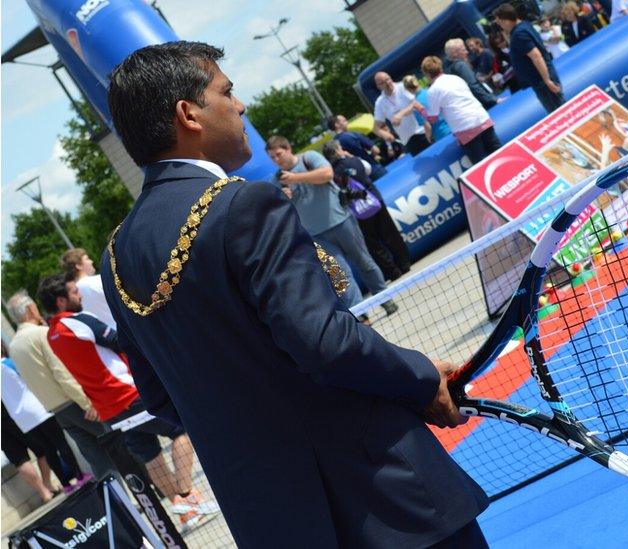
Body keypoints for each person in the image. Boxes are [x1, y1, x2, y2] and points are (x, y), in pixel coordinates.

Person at [103, 41, 487, 548]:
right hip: (381, 500)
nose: (240, 106)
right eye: (226, 92)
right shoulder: (244, 205)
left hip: (272, 519)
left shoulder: (116, 256)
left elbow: (161, 397)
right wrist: (418, 378)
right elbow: (326, 343)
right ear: (188, 113)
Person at [38, 273, 219, 533]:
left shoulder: (52, 334)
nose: (79, 295)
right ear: (60, 300)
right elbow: (119, 340)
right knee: (182, 431)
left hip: (109, 410)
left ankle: (185, 512)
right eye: (74, 292)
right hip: (128, 395)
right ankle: (188, 494)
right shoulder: (78, 321)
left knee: (149, 454)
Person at [265, 135, 398, 315]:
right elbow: (277, 209)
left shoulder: (308, 158)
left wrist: (295, 178)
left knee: (364, 262)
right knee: (341, 275)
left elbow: (326, 174)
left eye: (278, 154)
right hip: (316, 234)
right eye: (272, 158)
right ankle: (361, 315)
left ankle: (384, 298)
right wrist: (284, 198)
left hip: (341, 221)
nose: (276, 160)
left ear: (288, 148)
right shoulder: (277, 179)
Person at [6, 291, 115, 480]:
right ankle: (150, 491)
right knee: (118, 445)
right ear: (31, 308)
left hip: (57, 410)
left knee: (97, 460)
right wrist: (87, 402)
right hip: (75, 403)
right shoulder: (40, 333)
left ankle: (117, 504)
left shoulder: (14, 346)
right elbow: (62, 373)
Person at [1, 345, 88, 501]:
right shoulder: (9, 364)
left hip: (21, 418)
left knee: (48, 449)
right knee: (60, 443)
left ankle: (65, 484)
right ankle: (79, 475)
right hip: (37, 408)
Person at [324, 140, 411, 281]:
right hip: (374, 199)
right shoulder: (355, 161)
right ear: (337, 151)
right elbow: (368, 169)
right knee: (390, 233)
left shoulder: (331, 174)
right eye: (340, 147)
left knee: (373, 244)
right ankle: (404, 263)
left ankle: (392, 271)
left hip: (356, 210)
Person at [418, 55, 501, 164]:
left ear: (427, 74)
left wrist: (420, 109)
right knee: (499, 153)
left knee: (482, 165)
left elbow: (433, 118)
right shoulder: (455, 78)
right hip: (482, 118)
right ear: (440, 67)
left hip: (465, 128)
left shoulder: (433, 91)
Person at [493, 3, 566, 113]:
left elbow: (536, 56)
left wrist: (547, 81)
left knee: (558, 111)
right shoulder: (524, 26)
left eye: (500, 23)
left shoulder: (519, 34)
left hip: (542, 80)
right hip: (543, 78)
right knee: (560, 108)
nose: (500, 26)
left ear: (506, 21)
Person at [372, 71, 431, 157]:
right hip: (408, 141)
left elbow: (417, 103)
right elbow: (376, 128)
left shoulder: (403, 86)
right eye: (383, 82)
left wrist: (401, 114)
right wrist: (384, 134)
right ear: (378, 86)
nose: (387, 83)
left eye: (388, 79)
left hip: (423, 131)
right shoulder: (379, 102)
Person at [61, 248, 115, 329]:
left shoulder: (71, 294)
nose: (91, 261)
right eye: (87, 259)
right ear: (78, 266)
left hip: (103, 337)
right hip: (123, 328)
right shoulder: (100, 280)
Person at [326, 114, 387, 179]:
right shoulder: (354, 135)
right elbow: (376, 150)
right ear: (337, 125)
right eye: (344, 121)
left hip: (357, 176)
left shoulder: (333, 145)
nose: (347, 122)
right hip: (373, 168)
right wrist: (370, 156)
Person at [443, 38, 498, 110]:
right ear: (455, 53)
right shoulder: (460, 66)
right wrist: (493, 100)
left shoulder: (449, 69)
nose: (467, 52)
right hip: (483, 105)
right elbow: (474, 86)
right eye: (463, 50)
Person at [402, 75, 450, 142]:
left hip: (441, 134)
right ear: (417, 82)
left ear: (408, 90)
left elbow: (427, 126)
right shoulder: (431, 91)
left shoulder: (416, 106)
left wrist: (429, 138)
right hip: (452, 125)